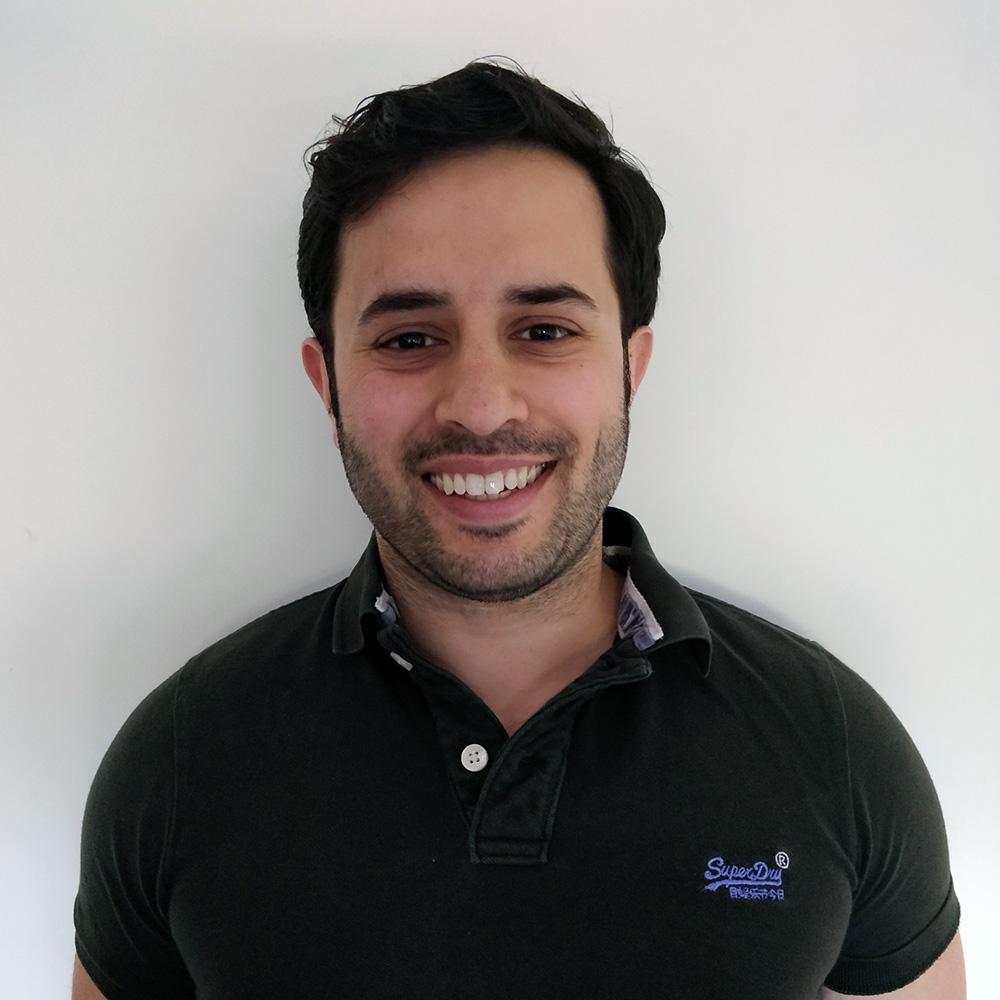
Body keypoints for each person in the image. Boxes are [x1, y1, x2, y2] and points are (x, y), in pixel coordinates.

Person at [72, 60, 964, 999]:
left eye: (544, 330)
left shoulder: (835, 744)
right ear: (327, 379)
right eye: (409, 338)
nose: (482, 405)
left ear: (632, 363)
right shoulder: (177, 760)